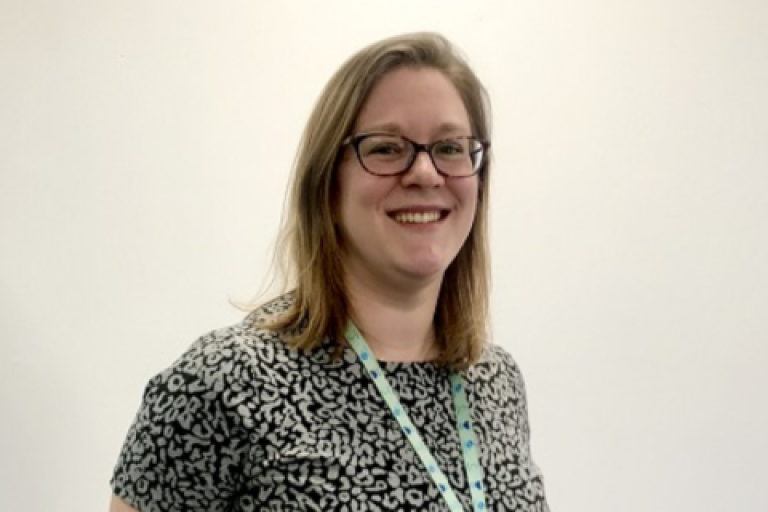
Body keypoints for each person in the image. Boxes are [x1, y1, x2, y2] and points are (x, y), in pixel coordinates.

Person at [109, 32, 548, 512]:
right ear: (327, 184)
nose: (425, 173)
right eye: (386, 148)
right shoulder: (221, 384)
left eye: (449, 148)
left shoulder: (495, 379)